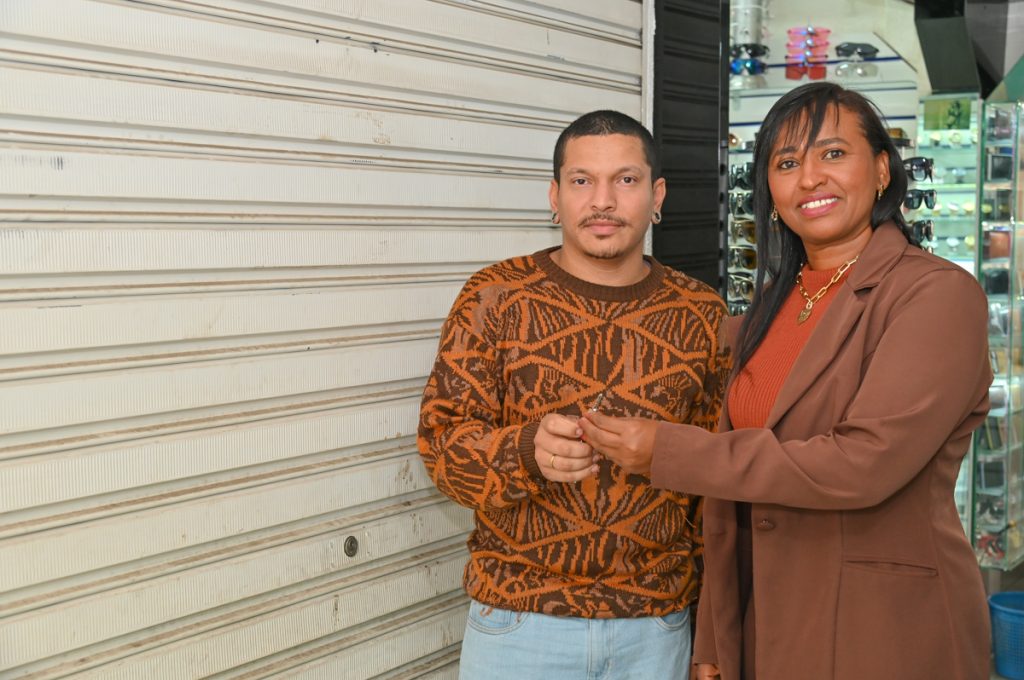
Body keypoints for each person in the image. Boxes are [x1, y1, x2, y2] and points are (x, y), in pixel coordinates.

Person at [579, 82, 992, 680]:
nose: (810, 178)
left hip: (882, 628)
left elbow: (862, 463)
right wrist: (715, 638)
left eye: (833, 154)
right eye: (787, 163)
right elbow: (732, 499)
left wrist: (668, 451)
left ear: (882, 170)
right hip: (768, 624)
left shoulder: (935, 295)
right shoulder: (771, 306)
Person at [417, 110, 729, 679]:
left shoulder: (702, 313)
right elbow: (441, 451)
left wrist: (712, 632)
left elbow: (717, 485)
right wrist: (525, 453)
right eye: (582, 180)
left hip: (657, 629)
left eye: (626, 180)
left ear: (657, 195)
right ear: (555, 196)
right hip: (518, 625)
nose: (602, 201)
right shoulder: (494, 298)